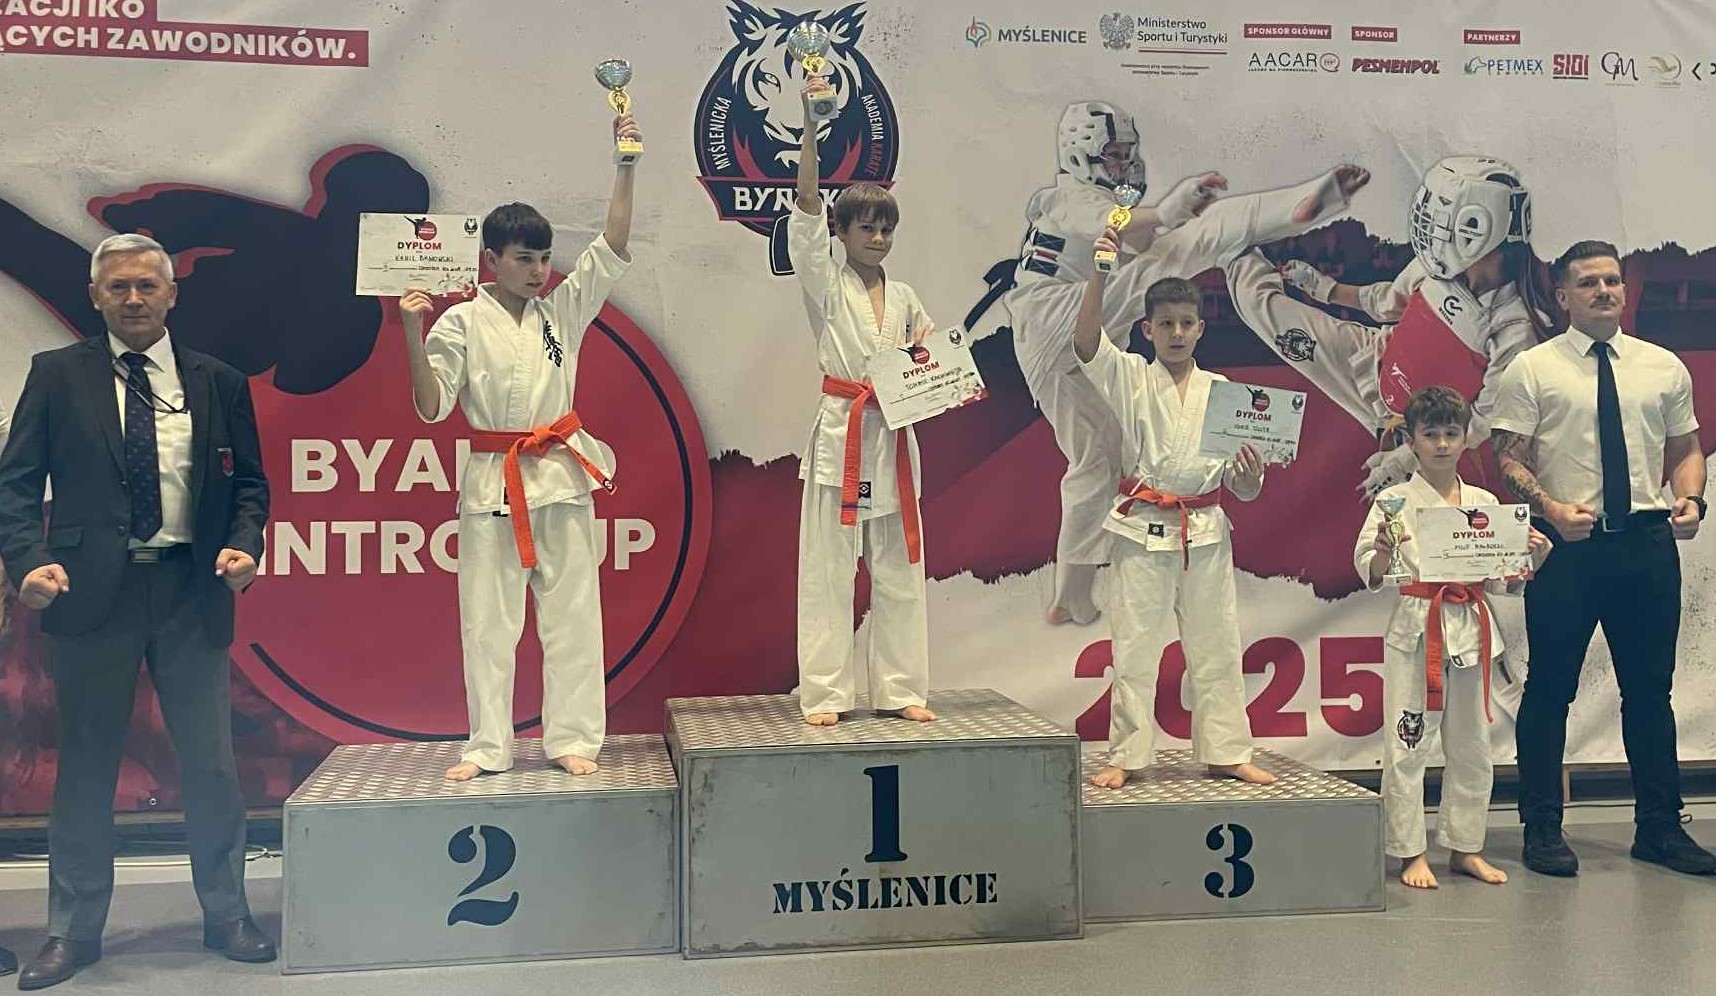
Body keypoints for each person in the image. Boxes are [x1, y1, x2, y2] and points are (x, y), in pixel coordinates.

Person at [0, 233, 273, 989]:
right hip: (90, 595)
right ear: (95, 296)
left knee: (211, 765)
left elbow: (251, 485)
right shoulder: (55, 375)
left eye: (146, 285)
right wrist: (26, 562)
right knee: (86, 767)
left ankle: (228, 913)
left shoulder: (218, 382)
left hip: (191, 591)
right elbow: (15, 485)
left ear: (171, 295)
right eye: (117, 286)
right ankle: (72, 930)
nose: (132, 298)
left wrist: (244, 544)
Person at [1003, 100, 1368, 625]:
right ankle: (1301, 204)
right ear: (1080, 156)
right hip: (1056, 313)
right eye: (1113, 155)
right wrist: (1174, 213)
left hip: (1057, 345)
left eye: (1127, 153)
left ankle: (1071, 594)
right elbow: (1119, 224)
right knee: (1196, 240)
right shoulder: (1064, 196)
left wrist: (1169, 217)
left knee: (1097, 460)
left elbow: (1139, 238)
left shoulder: (1109, 203)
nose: (1124, 165)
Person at [400, 114, 642, 780]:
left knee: (573, 618)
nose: (538, 271)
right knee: (487, 625)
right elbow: (432, 407)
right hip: (492, 484)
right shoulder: (459, 322)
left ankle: (574, 738)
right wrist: (410, 331)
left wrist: (626, 165)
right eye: (523, 258)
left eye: (543, 258)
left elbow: (613, 244)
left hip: (560, 477)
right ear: (491, 260)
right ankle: (487, 747)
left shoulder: (561, 313)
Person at [1490, 239, 1715, 877]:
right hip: (1569, 544)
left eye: (1612, 280)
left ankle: (1660, 829)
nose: (1604, 291)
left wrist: (1691, 498)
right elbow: (1507, 456)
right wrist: (1550, 509)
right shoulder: (1532, 368)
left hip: (1646, 543)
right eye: (1588, 282)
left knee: (1650, 693)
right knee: (1549, 689)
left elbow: (1686, 448)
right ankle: (1541, 828)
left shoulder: (1662, 366)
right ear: (1562, 296)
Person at [1225, 156, 1556, 497]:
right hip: (1372, 362)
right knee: (1270, 316)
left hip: (1420, 433)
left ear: (1477, 228)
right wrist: (1322, 288)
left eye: (1441, 216)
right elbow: (1385, 303)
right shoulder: (1435, 268)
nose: (1430, 225)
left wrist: (1410, 455)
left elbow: (1481, 422)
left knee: (1401, 515)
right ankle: (1231, 248)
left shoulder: (1514, 328)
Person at [1073, 230, 1273, 788]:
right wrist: (1100, 272)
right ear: (1148, 330)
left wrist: (1249, 475)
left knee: (1217, 645)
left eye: (1187, 323)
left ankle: (1227, 750)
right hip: (1141, 528)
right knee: (1135, 647)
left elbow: (1245, 489)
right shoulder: (1132, 377)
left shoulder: (1225, 392)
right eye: (1166, 324)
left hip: (1205, 528)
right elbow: (1085, 343)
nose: (1177, 333)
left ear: (1201, 329)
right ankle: (1126, 755)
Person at [1355, 385, 1550, 889]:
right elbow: (1370, 569)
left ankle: (1466, 847)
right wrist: (1382, 552)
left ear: (1466, 438)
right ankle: (1410, 851)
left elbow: (1503, 582)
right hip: (1416, 630)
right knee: (1406, 744)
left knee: (1472, 746)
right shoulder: (1393, 501)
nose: (1441, 444)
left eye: (1450, 433)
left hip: (1470, 628)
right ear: (1411, 440)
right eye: (1430, 434)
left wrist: (1532, 558)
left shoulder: (1484, 503)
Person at [787, 87, 936, 727]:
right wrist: (810, 128)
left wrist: (939, 376)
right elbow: (804, 209)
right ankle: (826, 694)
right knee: (829, 573)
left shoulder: (905, 297)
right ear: (841, 233)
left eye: (886, 228)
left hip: (892, 437)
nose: (877, 237)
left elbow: (929, 358)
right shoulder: (825, 283)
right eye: (866, 227)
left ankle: (900, 690)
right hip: (840, 436)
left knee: (899, 571)